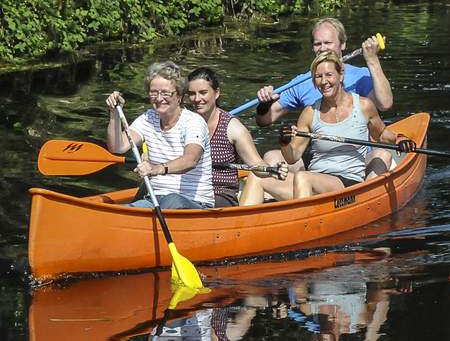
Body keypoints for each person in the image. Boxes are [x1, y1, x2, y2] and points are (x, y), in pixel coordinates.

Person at [239, 50, 416, 205]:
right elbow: (293, 157)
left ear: (341, 75)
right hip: (312, 182)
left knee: (303, 177)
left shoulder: (363, 106)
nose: (324, 82)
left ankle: (300, 230)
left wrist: (399, 138)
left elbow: (382, 134)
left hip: (346, 185)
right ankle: (241, 233)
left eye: (329, 75)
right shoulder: (310, 112)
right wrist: (284, 142)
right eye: (318, 76)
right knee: (257, 175)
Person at [254, 17, 394, 177]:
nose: (322, 48)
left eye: (328, 43)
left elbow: (385, 103)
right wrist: (265, 103)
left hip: (356, 159)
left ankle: (363, 197)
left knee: (382, 155)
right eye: (317, 44)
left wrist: (372, 60)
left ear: (342, 45)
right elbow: (263, 120)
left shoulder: (360, 75)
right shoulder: (303, 82)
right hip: (319, 159)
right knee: (271, 157)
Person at [105, 60, 215, 209]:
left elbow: (191, 160)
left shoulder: (193, 122)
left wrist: (156, 169)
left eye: (165, 93)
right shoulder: (148, 118)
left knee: (172, 200)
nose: (159, 98)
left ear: (179, 97)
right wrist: (114, 113)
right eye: (154, 93)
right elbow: (117, 147)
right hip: (154, 200)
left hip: (194, 202)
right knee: (124, 211)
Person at [186, 67, 288, 207]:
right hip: (188, 192)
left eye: (203, 92)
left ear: (216, 93)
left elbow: (255, 164)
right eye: (192, 94)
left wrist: (273, 171)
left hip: (220, 195)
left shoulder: (233, 127)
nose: (197, 99)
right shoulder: (184, 123)